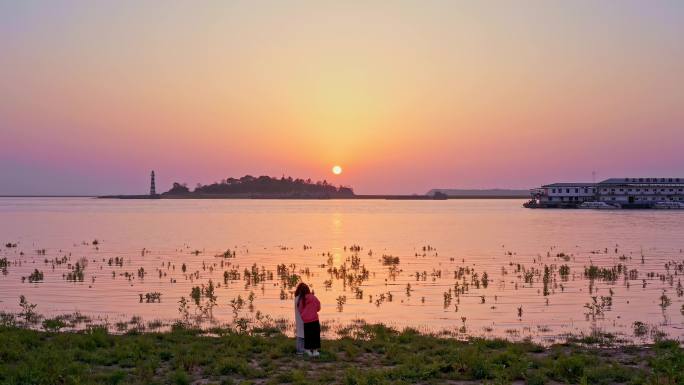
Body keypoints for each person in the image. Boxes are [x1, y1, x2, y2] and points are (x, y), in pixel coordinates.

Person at [294, 282, 321, 357]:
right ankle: (315, 351)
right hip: (315, 319)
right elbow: (318, 306)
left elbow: (300, 309)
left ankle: (308, 351)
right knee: (315, 335)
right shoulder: (313, 297)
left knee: (308, 336)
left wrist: (304, 315)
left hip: (306, 321)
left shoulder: (300, 299)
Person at [293, 284, 306, 355]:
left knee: (300, 333)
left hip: (298, 318)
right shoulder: (303, 299)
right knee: (303, 334)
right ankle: (302, 350)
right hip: (303, 319)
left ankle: (299, 350)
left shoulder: (296, 298)